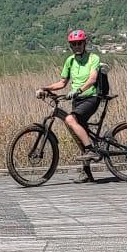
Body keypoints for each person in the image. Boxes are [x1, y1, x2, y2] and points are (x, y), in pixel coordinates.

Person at [38, 28, 103, 180]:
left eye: (80, 43)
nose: (77, 46)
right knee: (78, 132)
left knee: (70, 119)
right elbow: (62, 83)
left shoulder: (93, 58)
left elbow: (92, 79)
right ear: (70, 46)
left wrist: (79, 90)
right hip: (77, 99)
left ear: (84, 43)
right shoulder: (70, 61)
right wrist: (45, 88)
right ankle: (87, 173)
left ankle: (90, 150)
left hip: (91, 97)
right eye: (74, 44)